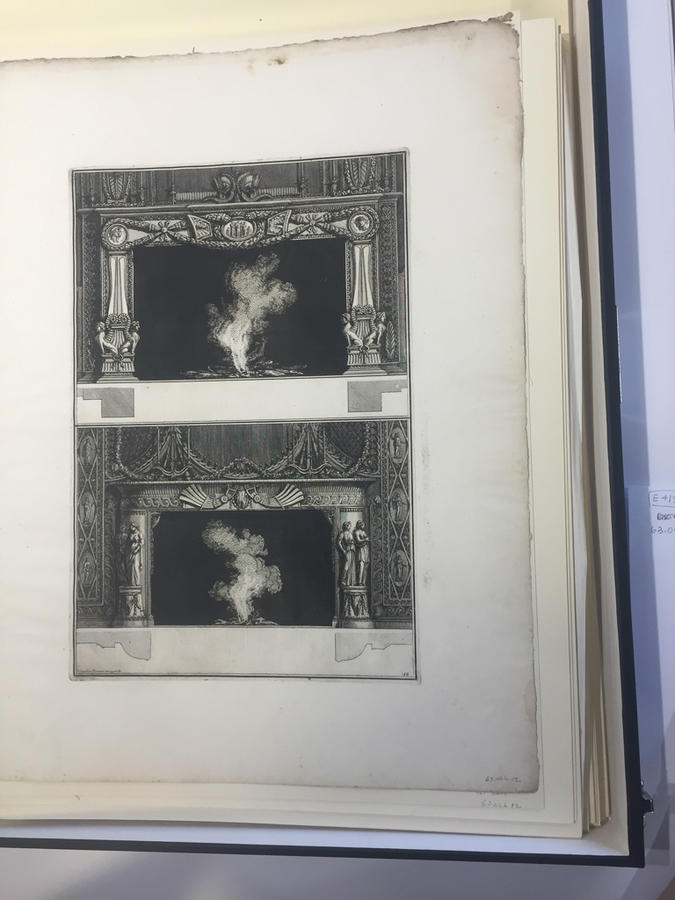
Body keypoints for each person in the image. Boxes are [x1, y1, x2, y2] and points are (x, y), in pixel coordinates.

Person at [335, 521, 356, 586]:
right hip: (347, 550)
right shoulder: (342, 534)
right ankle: (343, 580)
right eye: (349, 526)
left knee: (351, 566)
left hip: (352, 550)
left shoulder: (350, 533)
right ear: (346, 526)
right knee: (346, 566)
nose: (350, 527)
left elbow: (352, 542)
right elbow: (339, 543)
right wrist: (343, 550)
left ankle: (349, 581)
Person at [353, 520, 370, 586]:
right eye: (363, 525)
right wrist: (365, 539)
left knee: (366, 566)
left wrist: (366, 539)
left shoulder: (363, 532)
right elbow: (358, 540)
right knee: (361, 565)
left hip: (365, 549)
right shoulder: (356, 532)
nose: (364, 526)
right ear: (360, 525)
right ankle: (359, 582)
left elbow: (366, 538)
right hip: (360, 550)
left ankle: (363, 582)